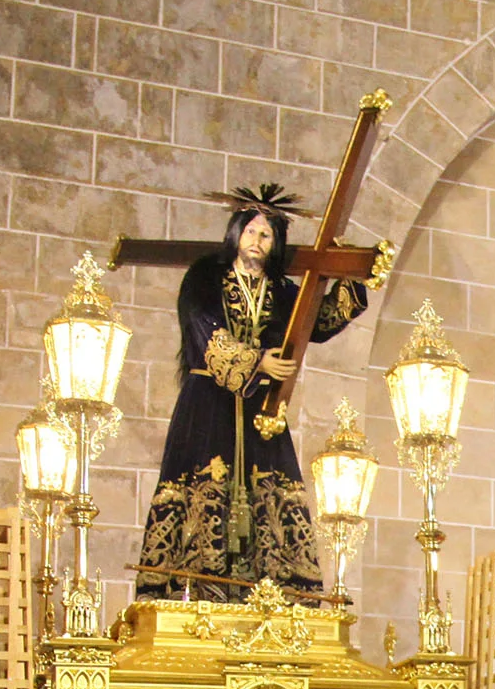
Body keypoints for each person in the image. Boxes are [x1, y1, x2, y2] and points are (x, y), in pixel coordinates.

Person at [136, 187, 369, 597]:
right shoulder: (205, 276)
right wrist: (256, 360)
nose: (257, 242)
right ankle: (194, 592)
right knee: (201, 488)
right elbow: (201, 324)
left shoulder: (281, 290)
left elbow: (319, 322)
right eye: (252, 232)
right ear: (236, 233)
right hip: (207, 403)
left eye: (267, 236)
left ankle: (273, 595)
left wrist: (344, 271)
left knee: (271, 497)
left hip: (262, 410)